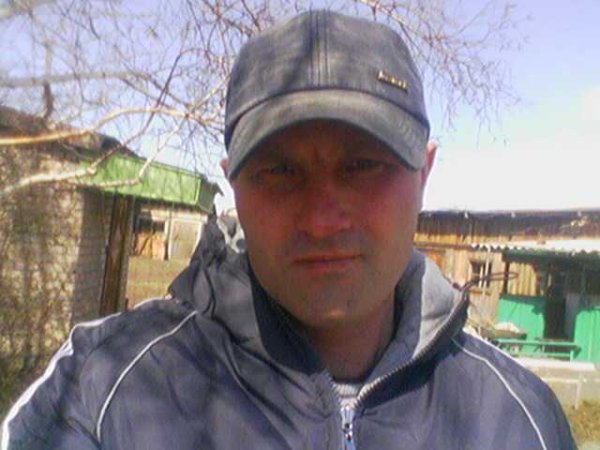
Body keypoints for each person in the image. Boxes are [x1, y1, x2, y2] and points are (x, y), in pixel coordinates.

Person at [3, 10, 575, 450]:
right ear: (232, 183)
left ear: (424, 174)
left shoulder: (519, 418)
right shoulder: (102, 389)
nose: (322, 220)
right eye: (278, 171)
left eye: (363, 165)